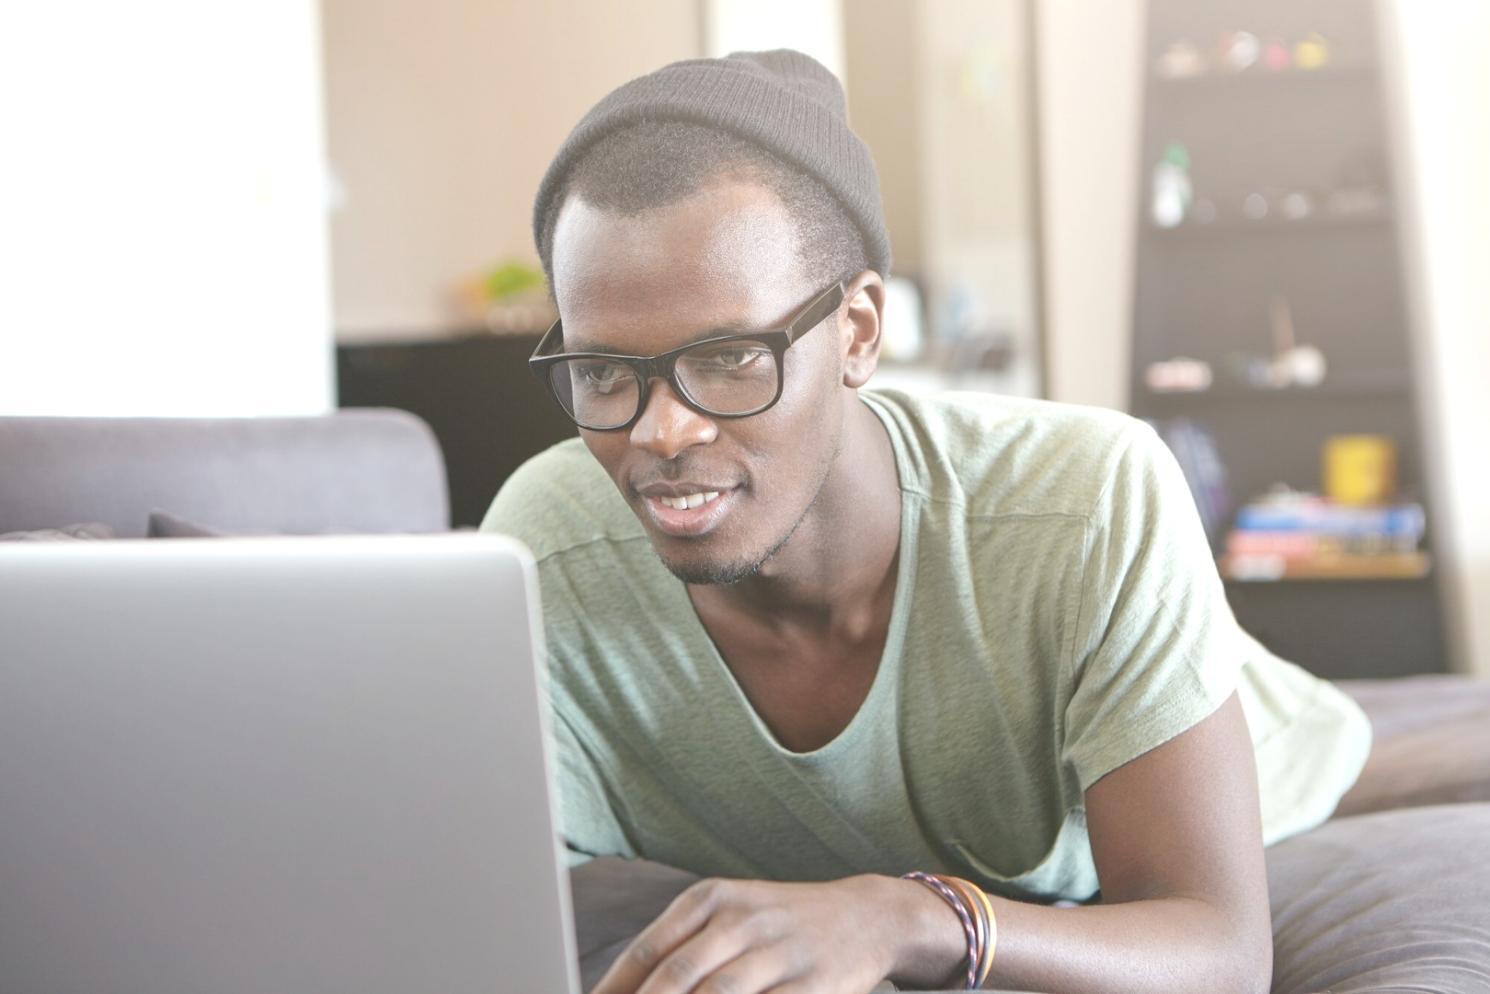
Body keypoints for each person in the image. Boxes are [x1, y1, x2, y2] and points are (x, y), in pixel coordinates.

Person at [483, 49, 1370, 994]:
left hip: (1265, 742)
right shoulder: (546, 551)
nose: (661, 433)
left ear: (859, 331)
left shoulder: (1086, 501)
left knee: (1398, 751)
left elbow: (1221, 953)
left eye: (732, 358)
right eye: (601, 372)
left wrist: (909, 915)